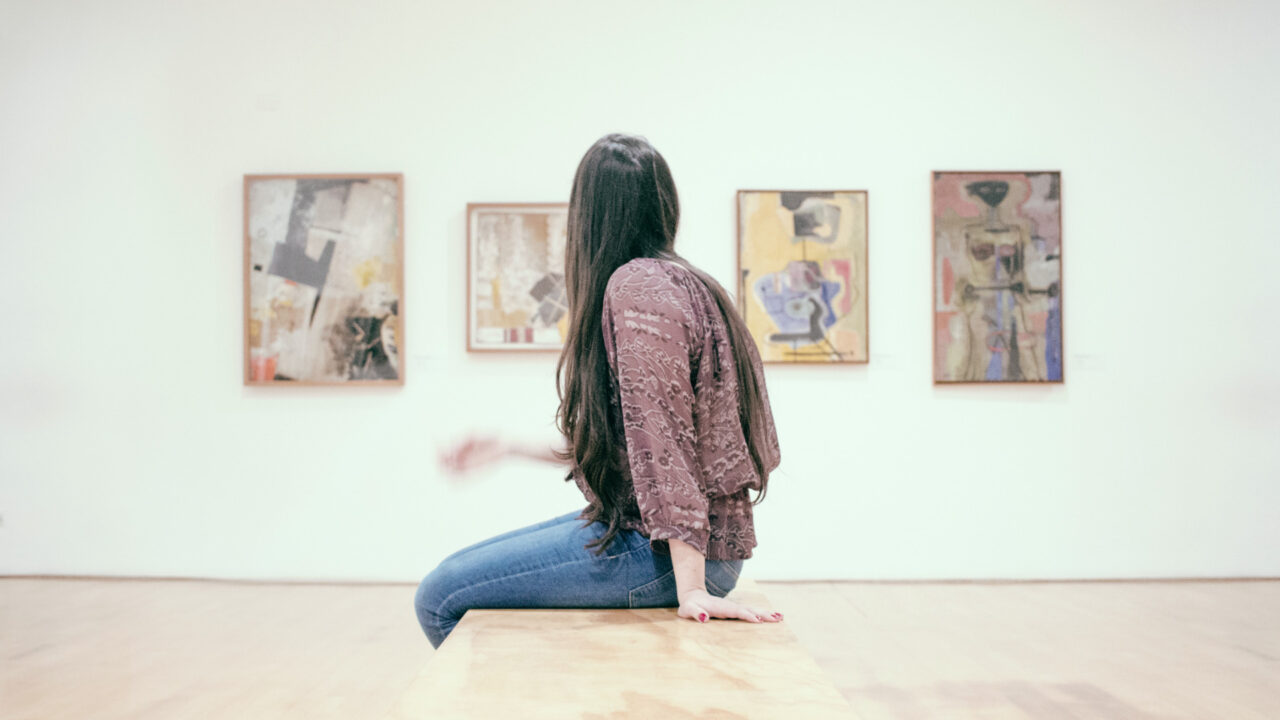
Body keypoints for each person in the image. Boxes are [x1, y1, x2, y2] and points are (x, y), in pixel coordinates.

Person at [414, 133, 783, 649]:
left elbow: (663, 439)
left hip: (667, 555)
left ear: (588, 215)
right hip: (676, 545)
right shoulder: (689, 282)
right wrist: (508, 447)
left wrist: (693, 589)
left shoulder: (637, 287)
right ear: (664, 204)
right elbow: (635, 445)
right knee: (451, 579)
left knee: (440, 596)